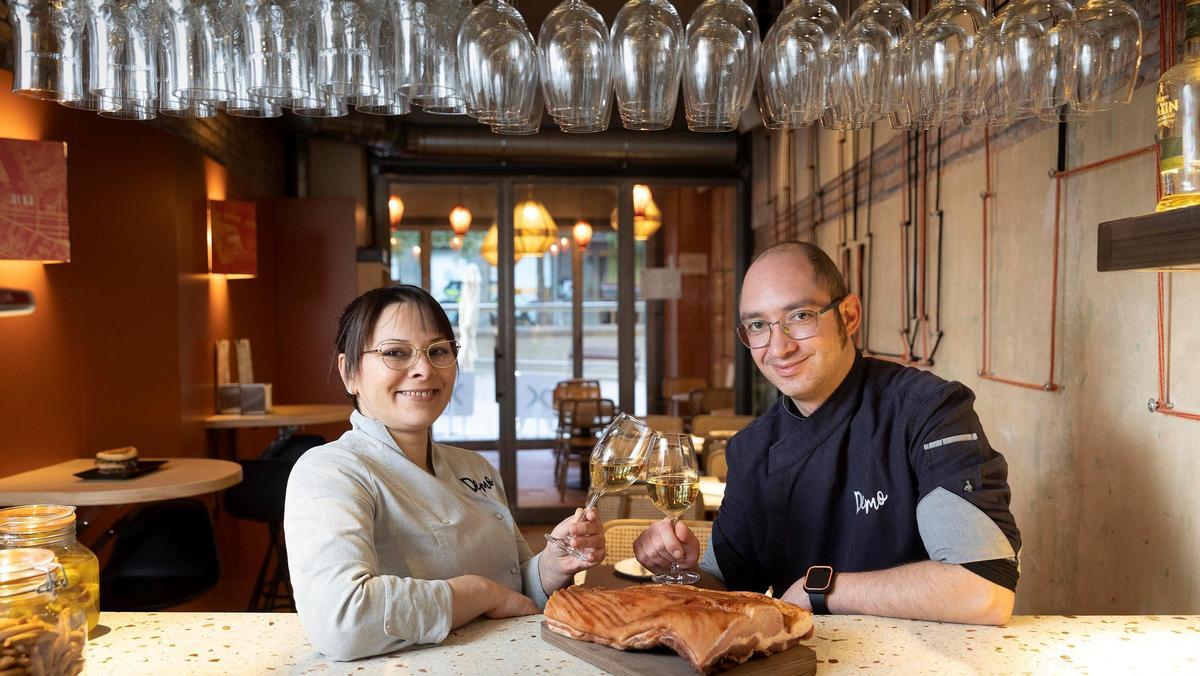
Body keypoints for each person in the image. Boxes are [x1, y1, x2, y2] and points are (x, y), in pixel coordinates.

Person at [633, 241, 1021, 625]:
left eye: (800, 316)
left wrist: (819, 590)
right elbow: (726, 592)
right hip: (807, 656)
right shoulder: (752, 450)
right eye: (758, 326)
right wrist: (676, 571)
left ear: (848, 316)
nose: (779, 348)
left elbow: (983, 589)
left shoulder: (927, 410)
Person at [285, 285, 605, 660]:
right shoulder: (330, 471)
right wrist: (478, 593)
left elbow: (514, 587)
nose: (424, 369)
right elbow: (341, 620)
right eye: (395, 353)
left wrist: (552, 564)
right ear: (349, 372)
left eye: (438, 351)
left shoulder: (475, 467)